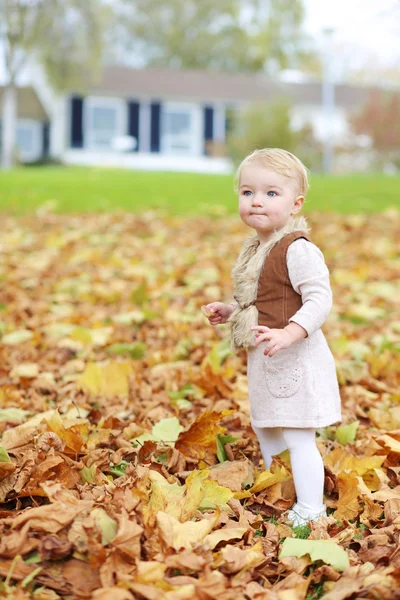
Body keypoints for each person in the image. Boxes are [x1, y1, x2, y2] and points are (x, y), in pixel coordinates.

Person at [203, 148, 342, 526]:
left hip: (295, 357)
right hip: (267, 358)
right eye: (247, 193)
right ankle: (277, 486)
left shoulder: (297, 249)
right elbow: (262, 297)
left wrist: (291, 331)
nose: (256, 201)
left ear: (296, 204)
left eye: (270, 193)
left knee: (298, 435)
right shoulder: (257, 247)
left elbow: (319, 299)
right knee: (267, 425)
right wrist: (232, 311)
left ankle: (311, 508)